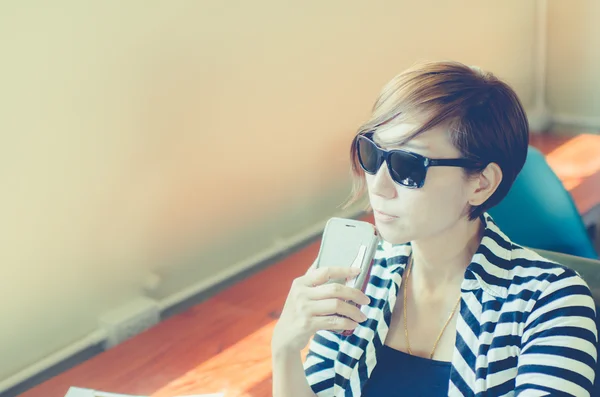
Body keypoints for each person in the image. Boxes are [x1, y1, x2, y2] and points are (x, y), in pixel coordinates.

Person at [271, 61, 598, 396]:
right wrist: (284, 349)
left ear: (481, 184)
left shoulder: (550, 304)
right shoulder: (362, 276)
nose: (379, 186)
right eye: (372, 153)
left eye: (408, 165)